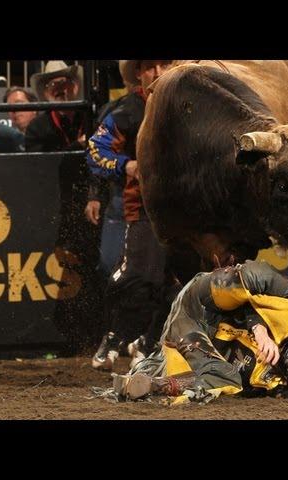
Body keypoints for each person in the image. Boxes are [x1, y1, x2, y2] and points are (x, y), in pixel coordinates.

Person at [111, 260, 288, 404]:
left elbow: (215, 376)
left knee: (227, 381)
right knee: (246, 277)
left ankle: (153, 386)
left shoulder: (272, 385)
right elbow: (249, 297)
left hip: (187, 344)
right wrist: (259, 328)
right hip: (199, 304)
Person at [86, 60, 176, 371]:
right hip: (143, 210)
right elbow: (96, 150)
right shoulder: (126, 110)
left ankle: (149, 340)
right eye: (151, 66)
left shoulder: (192, 104)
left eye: (167, 64)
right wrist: (127, 165)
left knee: (180, 279)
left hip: (185, 211)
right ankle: (115, 337)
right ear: (139, 73)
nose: (160, 72)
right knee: (134, 274)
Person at [25, 61, 86, 152]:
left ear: (75, 87)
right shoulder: (36, 128)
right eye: (52, 84)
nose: (58, 88)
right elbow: (39, 163)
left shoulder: (91, 118)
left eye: (63, 82)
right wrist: (78, 145)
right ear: (45, 93)